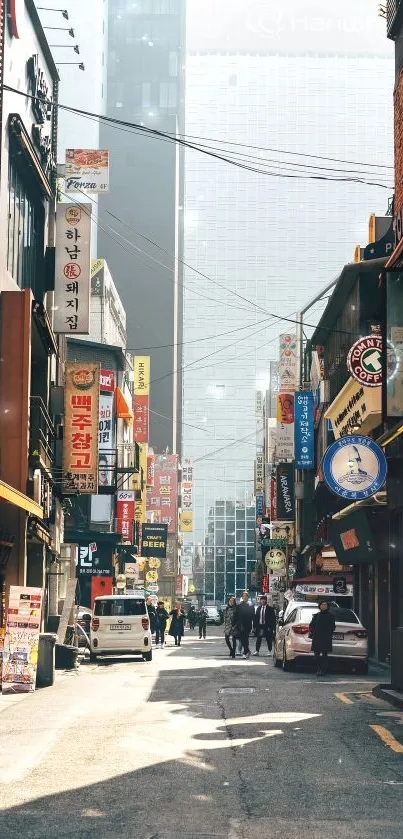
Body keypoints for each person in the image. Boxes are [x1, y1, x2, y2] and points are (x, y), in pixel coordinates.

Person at [309, 600, 336, 676]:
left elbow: (333, 627)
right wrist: (314, 631)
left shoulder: (331, 616)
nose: (323, 606)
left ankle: (323, 670)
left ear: (327, 606)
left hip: (326, 638)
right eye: (322, 605)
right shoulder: (316, 615)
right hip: (317, 637)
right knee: (316, 655)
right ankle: (319, 668)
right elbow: (311, 625)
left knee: (324, 655)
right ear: (320, 606)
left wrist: (328, 633)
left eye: (325, 605)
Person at [235, 591, 255, 659]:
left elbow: (253, 617)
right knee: (242, 639)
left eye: (246, 596)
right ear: (242, 597)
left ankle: (245, 652)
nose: (245, 597)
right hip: (240, 625)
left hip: (248, 625)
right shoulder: (239, 606)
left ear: (248, 597)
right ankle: (247, 651)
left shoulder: (251, 606)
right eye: (243, 596)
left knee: (245, 638)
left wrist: (254, 626)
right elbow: (236, 616)